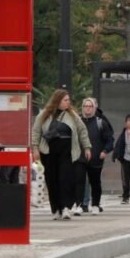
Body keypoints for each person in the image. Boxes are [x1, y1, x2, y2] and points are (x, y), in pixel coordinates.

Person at [30, 89, 91, 220]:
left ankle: (66, 207)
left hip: (67, 152)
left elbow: (82, 131)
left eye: (69, 100)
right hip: (49, 152)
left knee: (66, 179)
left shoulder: (73, 115)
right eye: (65, 100)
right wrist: (35, 148)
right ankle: (56, 208)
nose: (68, 103)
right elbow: (36, 132)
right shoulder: (44, 115)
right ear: (57, 101)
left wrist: (87, 147)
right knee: (52, 180)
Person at [78, 98, 114, 215]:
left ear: (94, 108)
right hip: (80, 158)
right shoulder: (78, 122)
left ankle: (95, 204)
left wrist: (105, 151)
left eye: (90, 106)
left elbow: (109, 140)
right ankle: (79, 204)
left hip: (96, 158)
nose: (88, 108)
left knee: (95, 182)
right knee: (79, 181)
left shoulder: (100, 122)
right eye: (85, 106)